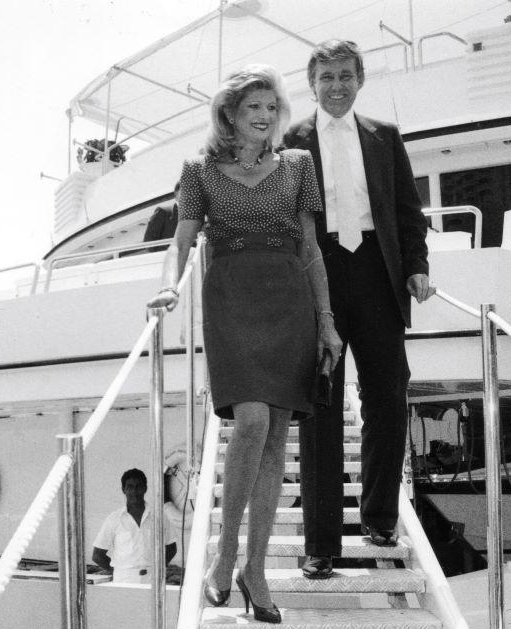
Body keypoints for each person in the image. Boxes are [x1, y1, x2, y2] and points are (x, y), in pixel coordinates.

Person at [148, 63, 342, 624]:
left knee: (276, 435)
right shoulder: (199, 170)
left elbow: (310, 247)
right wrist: (167, 288)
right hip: (232, 299)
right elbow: (181, 242)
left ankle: (252, 569)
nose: (264, 115)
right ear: (229, 115)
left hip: (290, 302)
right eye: (251, 107)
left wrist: (325, 321)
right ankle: (224, 551)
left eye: (270, 107)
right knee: (252, 420)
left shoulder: (299, 165)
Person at [282, 39, 435, 579]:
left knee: (389, 396)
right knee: (321, 407)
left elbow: (407, 211)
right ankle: (321, 544)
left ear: (360, 78)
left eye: (346, 75)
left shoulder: (384, 137)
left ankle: (378, 517)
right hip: (318, 277)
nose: (337, 86)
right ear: (312, 82)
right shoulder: (291, 141)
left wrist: (416, 266)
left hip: (377, 275)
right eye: (326, 77)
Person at [92, 468, 178, 584]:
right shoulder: (114, 519)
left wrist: (158, 567)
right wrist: (119, 570)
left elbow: (171, 548)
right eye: (130, 487)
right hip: (124, 580)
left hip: (152, 579)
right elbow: (97, 555)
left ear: (145, 489)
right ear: (123, 490)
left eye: (139, 486)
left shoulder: (159, 517)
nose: (134, 491)